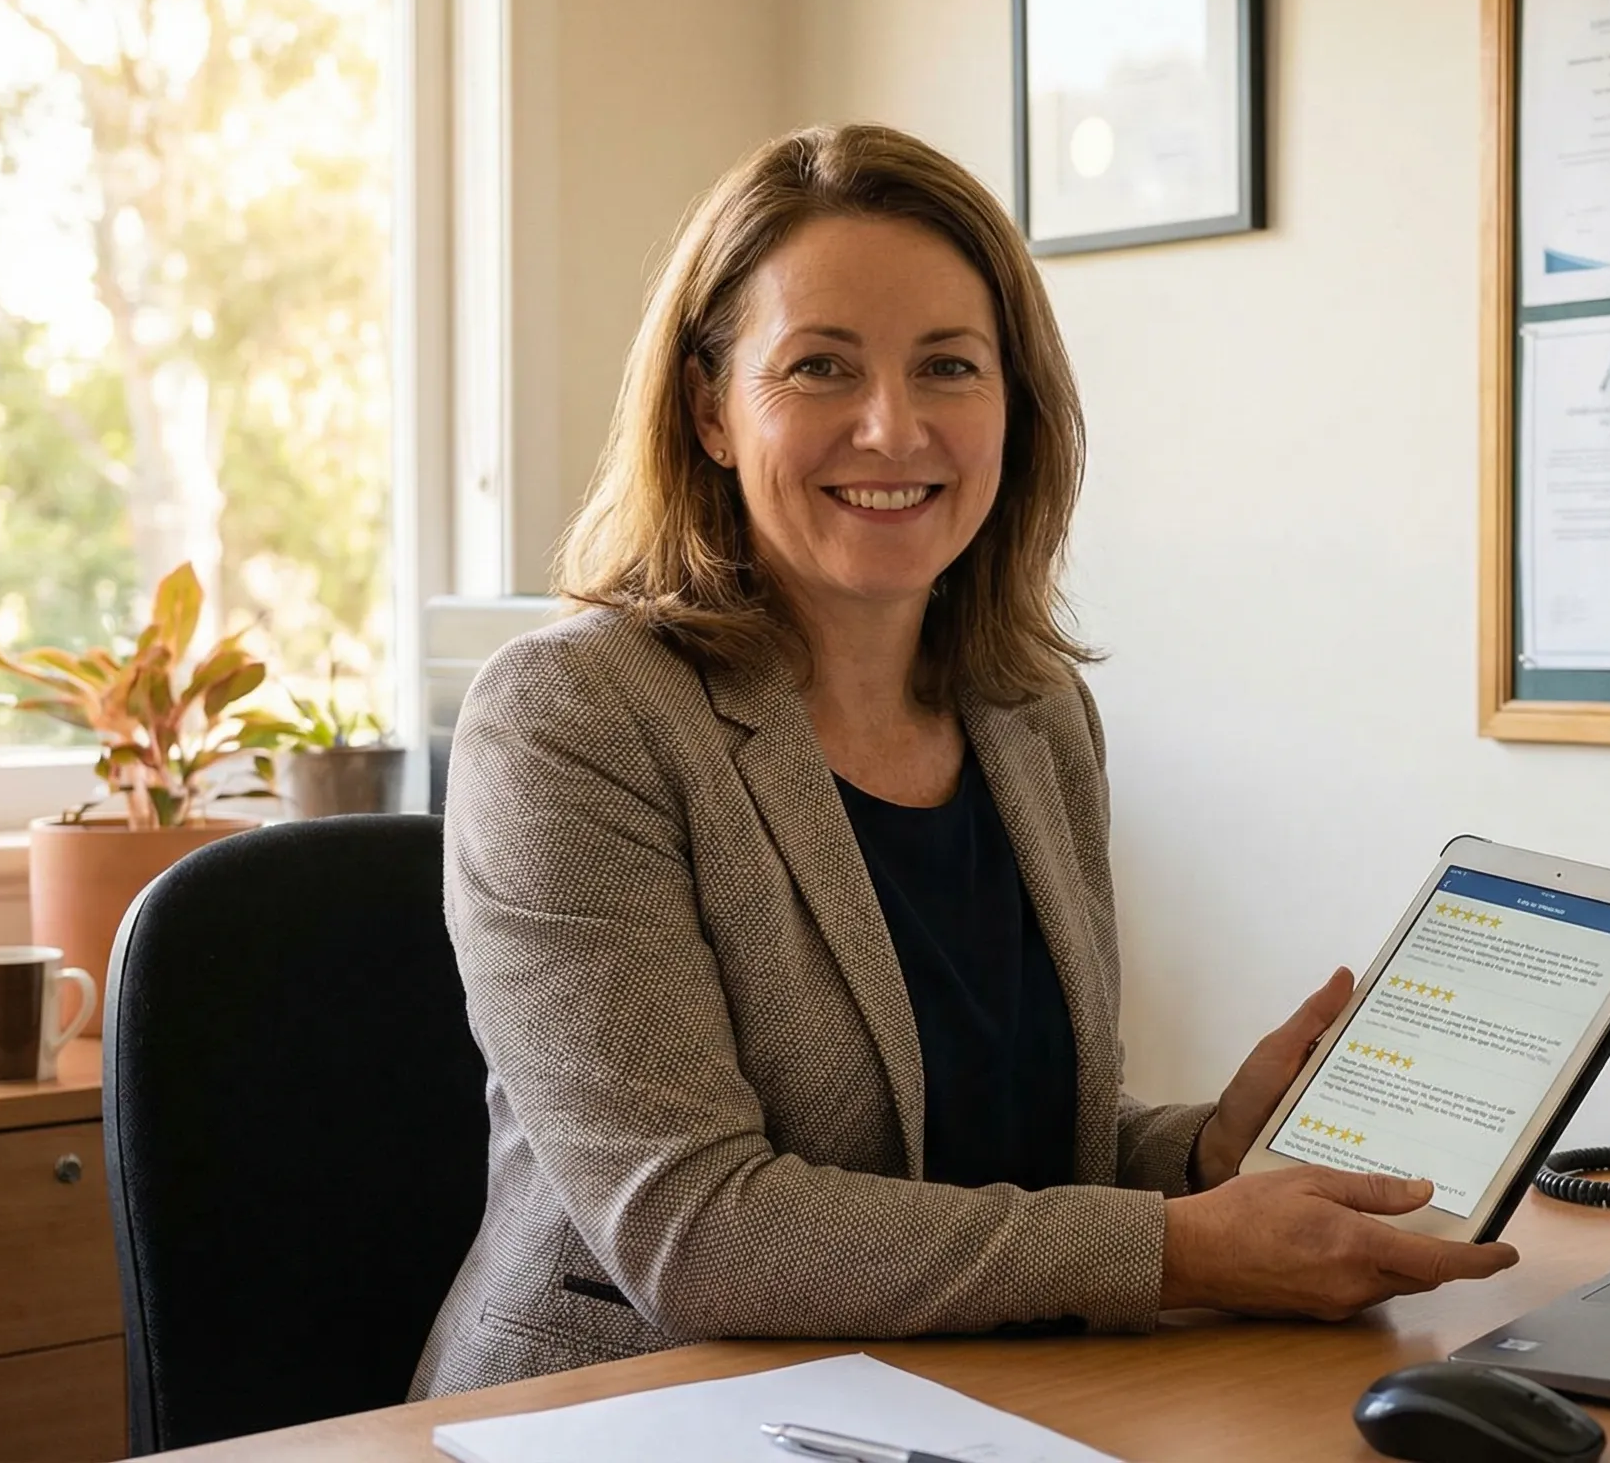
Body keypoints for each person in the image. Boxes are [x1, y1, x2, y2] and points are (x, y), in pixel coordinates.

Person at [411, 124, 1517, 1397]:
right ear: (712, 409)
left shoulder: (1033, 715)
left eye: (948, 366)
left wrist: (1202, 1156)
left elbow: (972, 1150)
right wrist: (1177, 1250)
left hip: (973, 1397)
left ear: (1013, 406)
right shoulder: (572, 719)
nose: (892, 428)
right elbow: (699, 1229)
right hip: (634, 1405)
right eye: (820, 367)